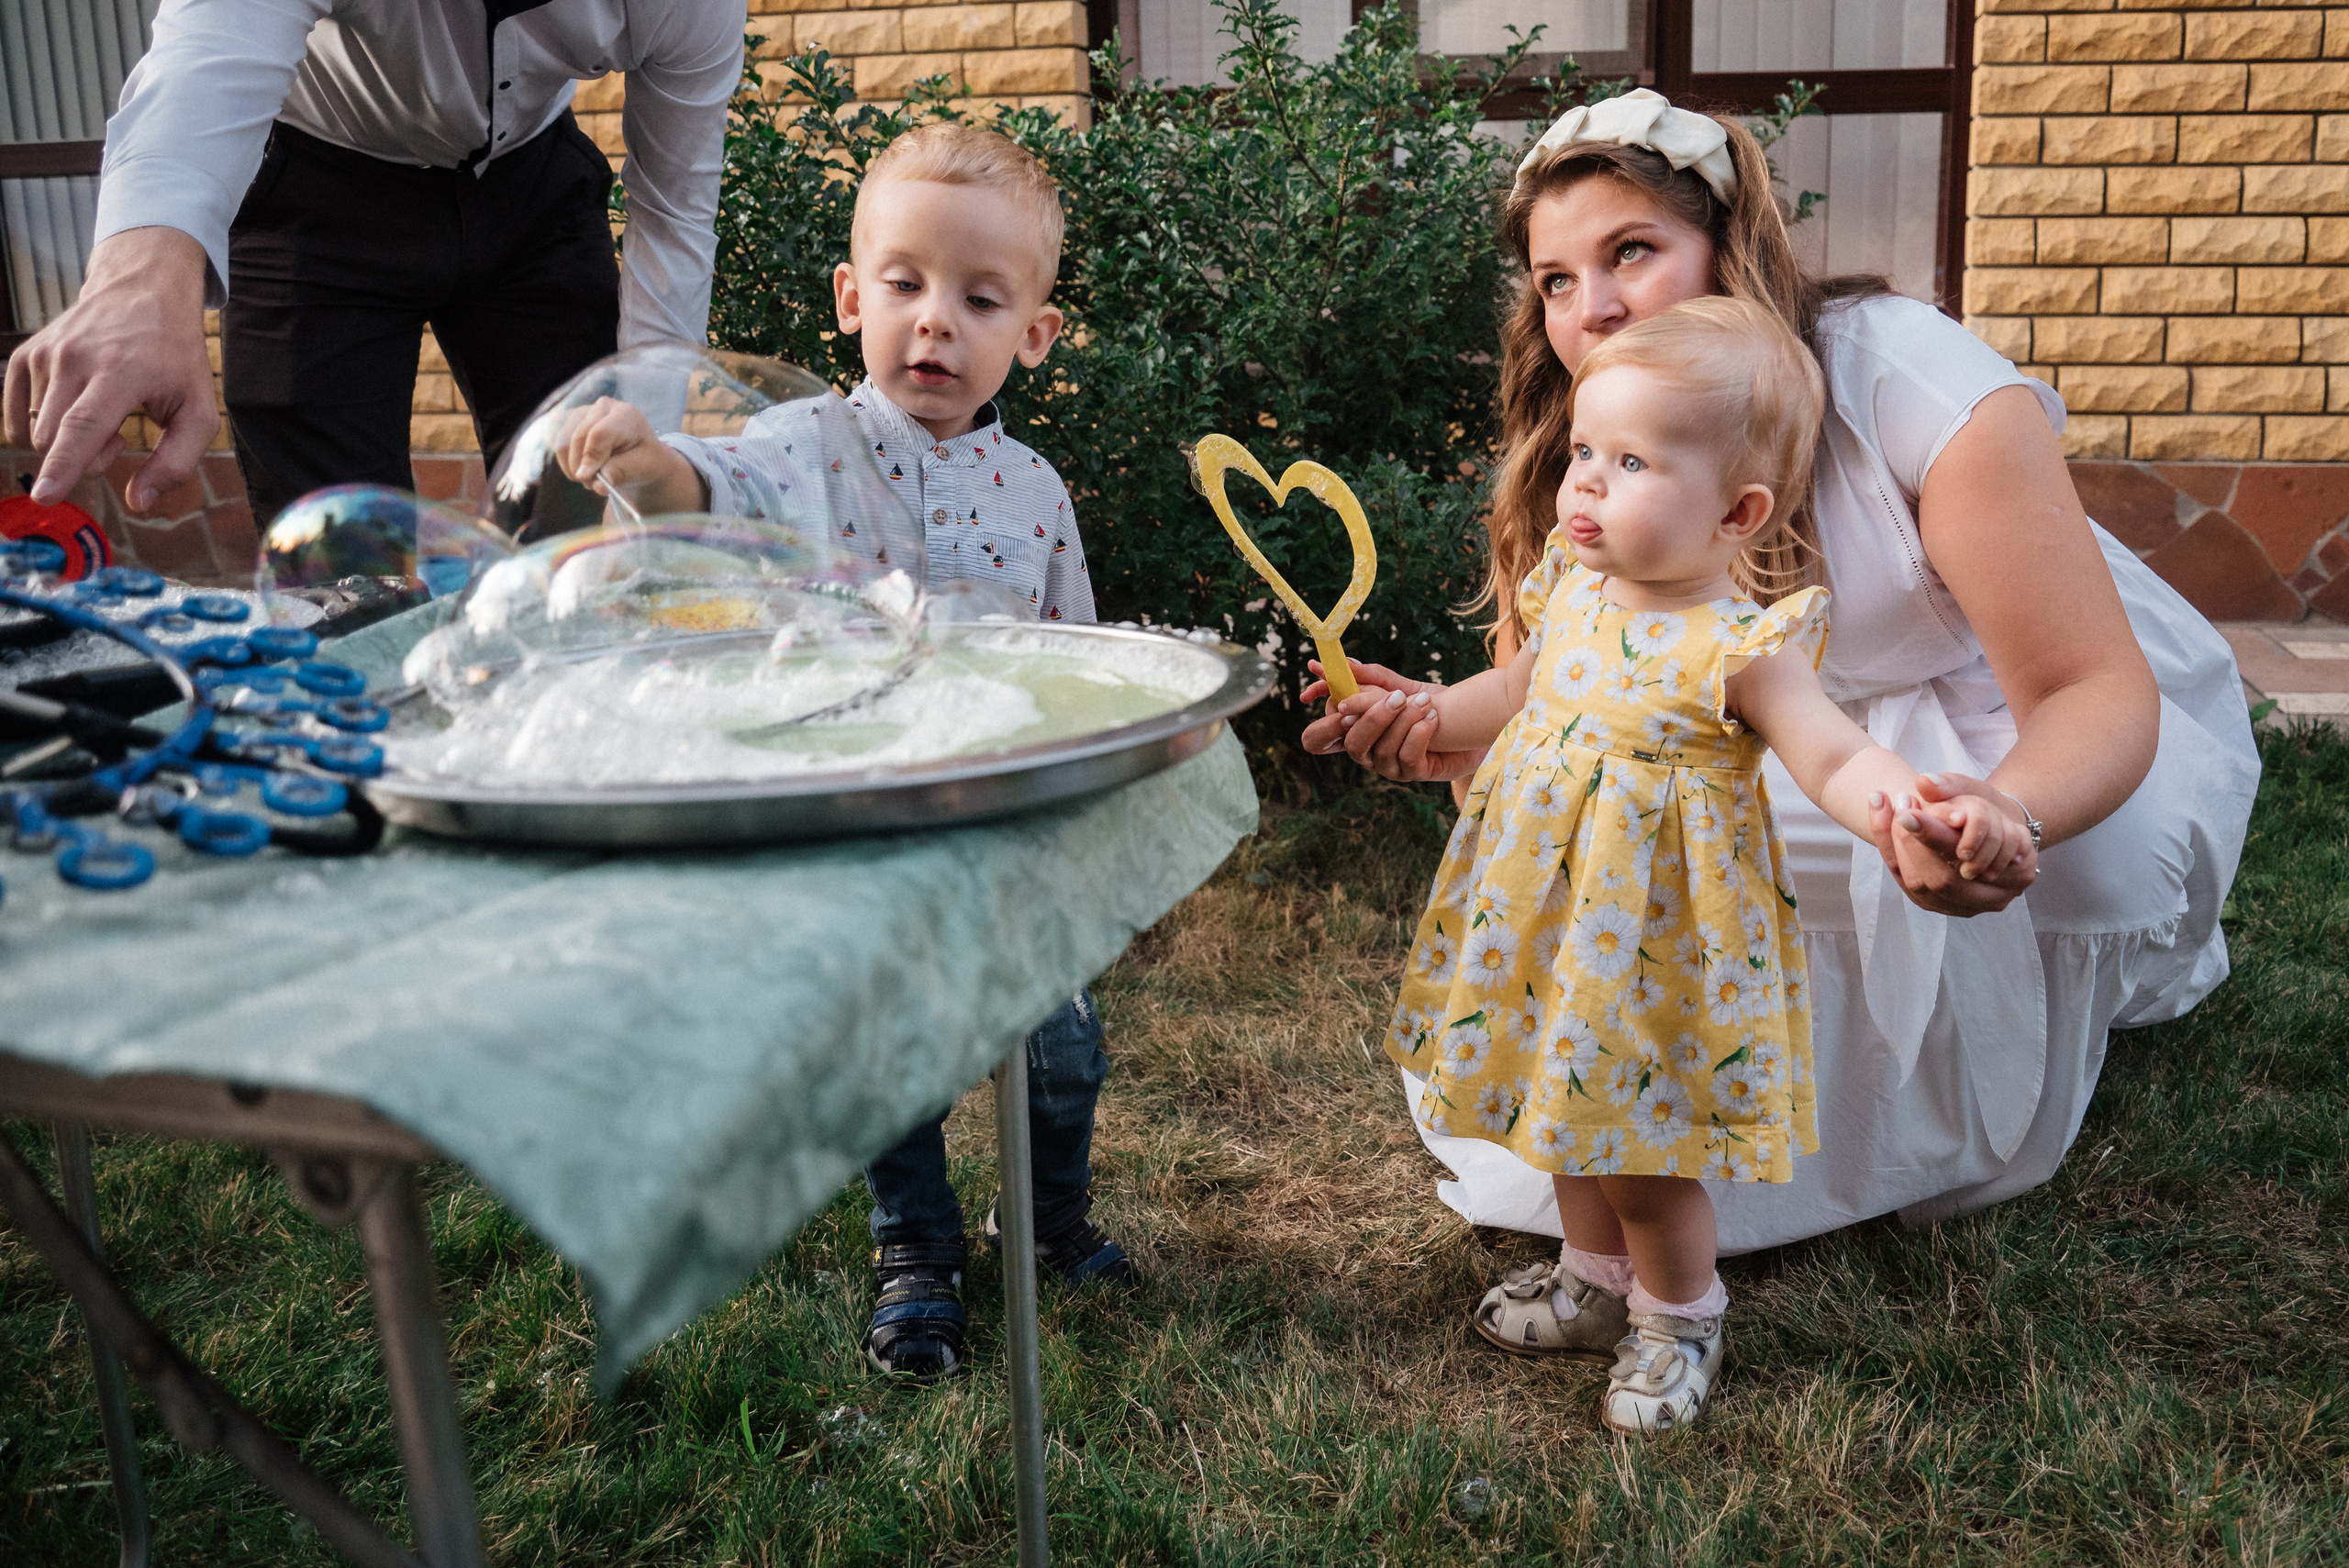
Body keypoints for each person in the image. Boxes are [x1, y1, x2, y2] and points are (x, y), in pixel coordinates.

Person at [1305, 92, 2257, 1331]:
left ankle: (1957, 1080)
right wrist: (1435, 724)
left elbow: (2090, 689)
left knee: (2076, 861)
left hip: (1973, 700)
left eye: (1629, 251)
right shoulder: (1605, 446)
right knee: (1597, 866)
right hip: (1713, 730)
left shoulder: (1902, 379)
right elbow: (1552, 702)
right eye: (1554, 278)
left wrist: (1995, 803)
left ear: (1725, 242)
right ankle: (1632, 1149)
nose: (1589, 307)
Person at [1345, 295, 2036, 1433]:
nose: (1585, 483)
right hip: (1551, 918)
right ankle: (1590, 1273)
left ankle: (1678, 1310)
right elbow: (1507, 698)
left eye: (1631, 461)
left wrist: (1904, 806)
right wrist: (1423, 711)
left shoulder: (1743, 645)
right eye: (1581, 452)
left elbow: (1833, 755)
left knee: (1642, 1154)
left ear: (1736, 510)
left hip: (1656, 945)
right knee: (1559, 1108)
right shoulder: (1571, 594)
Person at [554, 124, 1126, 1382]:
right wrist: (649, 467)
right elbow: (713, 490)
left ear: (1032, 334)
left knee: (1061, 1046)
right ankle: (916, 1249)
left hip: (1007, 818)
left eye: (980, 300)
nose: (936, 323)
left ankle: (1049, 1217)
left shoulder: (1036, 488)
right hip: (867, 807)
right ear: (852, 299)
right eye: (907, 286)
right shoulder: (807, 445)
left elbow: (1080, 656)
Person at [1, 0, 744, 528]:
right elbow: (210, 51)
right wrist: (140, 276)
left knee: (587, 499)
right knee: (339, 563)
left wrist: (649, 458)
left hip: (532, 188)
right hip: (317, 191)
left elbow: (674, 213)